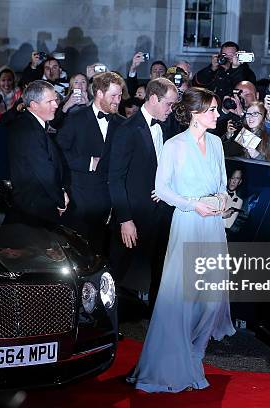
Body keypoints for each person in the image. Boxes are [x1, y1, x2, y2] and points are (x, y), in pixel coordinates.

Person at [126, 86, 235, 393]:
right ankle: (179, 363)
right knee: (184, 297)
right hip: (188, 223)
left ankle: (195, 355)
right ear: (196, 114)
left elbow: (224, 184)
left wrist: (222, 199)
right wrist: (193, 204)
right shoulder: (174, 145)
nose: (217, 115)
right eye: (212, 110)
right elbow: (162, 189)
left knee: (211, 300)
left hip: (213, 226)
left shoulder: (216, 143)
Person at [108, 78, 178, 314]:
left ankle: (158, 320)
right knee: (117, 270)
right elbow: (115, 179)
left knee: (162, 269)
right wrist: (125, 220)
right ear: (154, 98)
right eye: (168, 104)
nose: (171, 110)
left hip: (162, 213)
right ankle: (105, 321)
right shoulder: (127, 129)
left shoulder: (167, 126)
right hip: (134, 216)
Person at [56, 72, 126, 254]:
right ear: (99, 94)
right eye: (113, 96)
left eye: (120, 96)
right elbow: (59, 152)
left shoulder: (123, 124)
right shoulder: (76, 118)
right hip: (81, 203)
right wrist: (88, 162)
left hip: (113, 206)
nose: (118, 101)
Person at [7, 80, 69, 225]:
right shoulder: (28, 129)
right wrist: (60, 200)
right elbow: (44, 171)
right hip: (35, 208)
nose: (56, 105)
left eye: (55, 100)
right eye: (50, 102)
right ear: (34, 105)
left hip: (37, 204)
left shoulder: (30, 124)